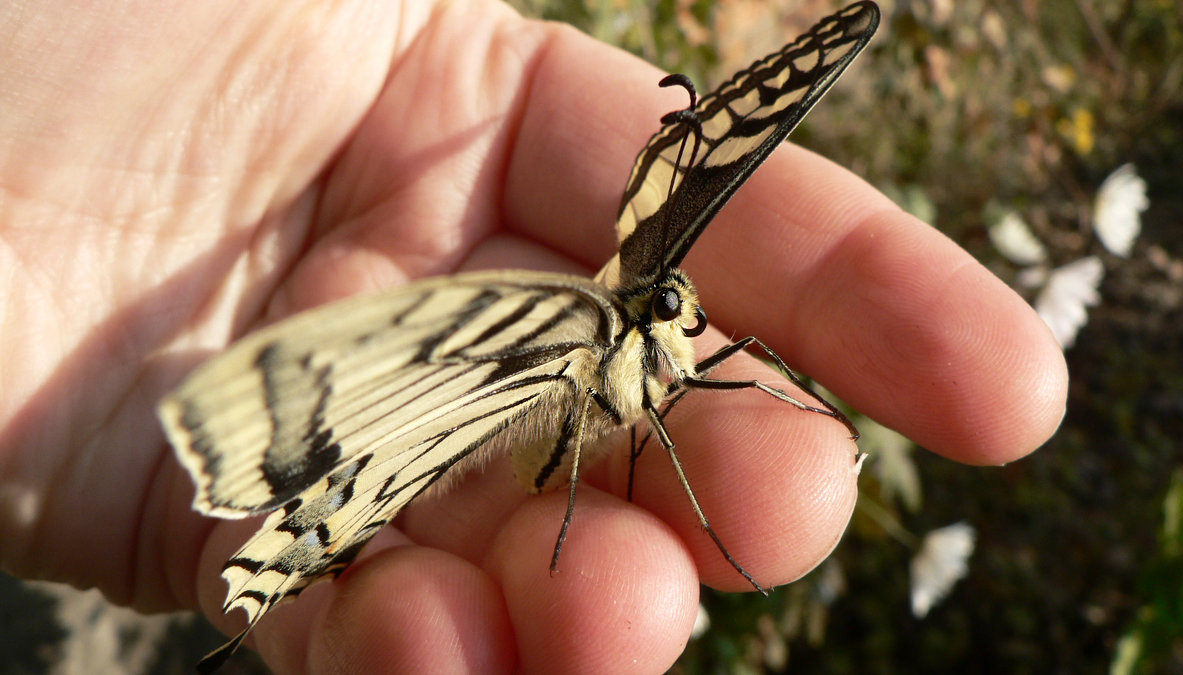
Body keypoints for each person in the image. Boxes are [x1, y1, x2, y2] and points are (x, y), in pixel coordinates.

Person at [0, 0, 1068, 672]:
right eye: (679, 316)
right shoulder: (598, 323)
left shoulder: (632, 307)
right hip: (366, 448)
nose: (695, 333)